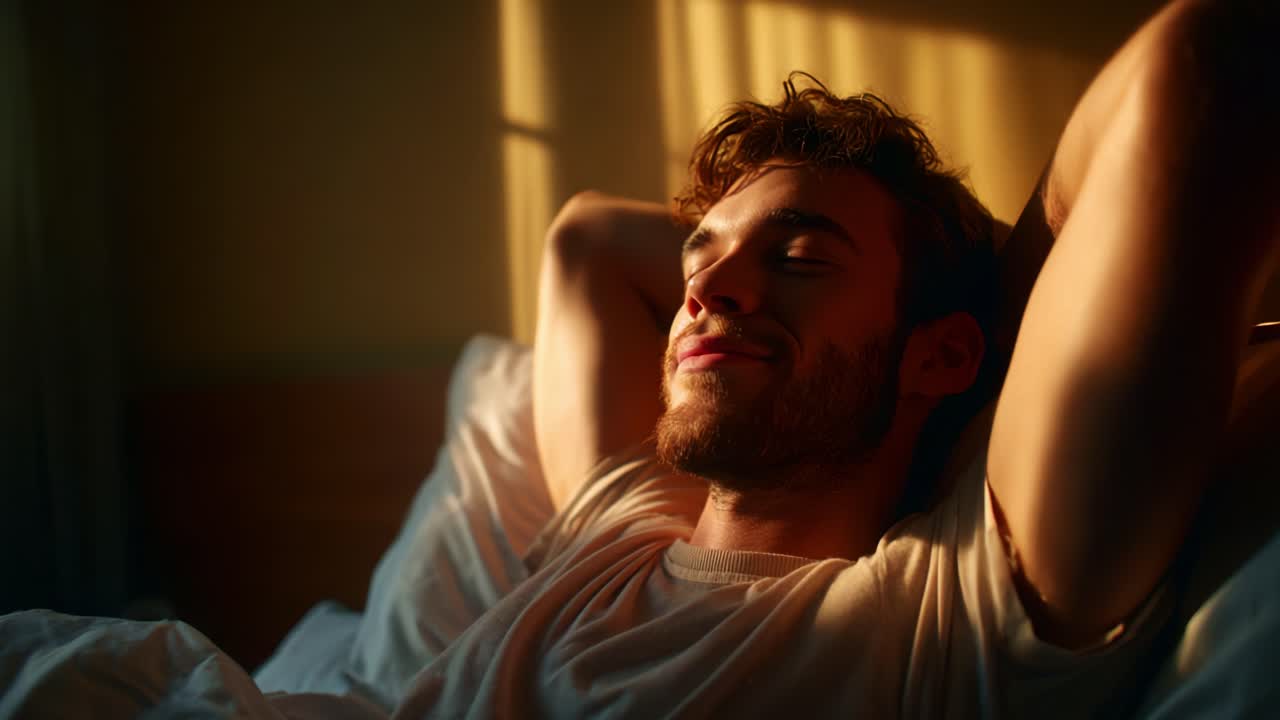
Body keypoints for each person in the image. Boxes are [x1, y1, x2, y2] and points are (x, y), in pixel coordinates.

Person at [387, 0, 1280, 717]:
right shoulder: (616, 529)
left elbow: (1203, 67)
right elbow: (585, 238)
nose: (701, 291)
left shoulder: (939, 611)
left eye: (800, 258)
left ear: (943, 357)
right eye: (698, 259)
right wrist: (773, 278)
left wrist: (982, 309)